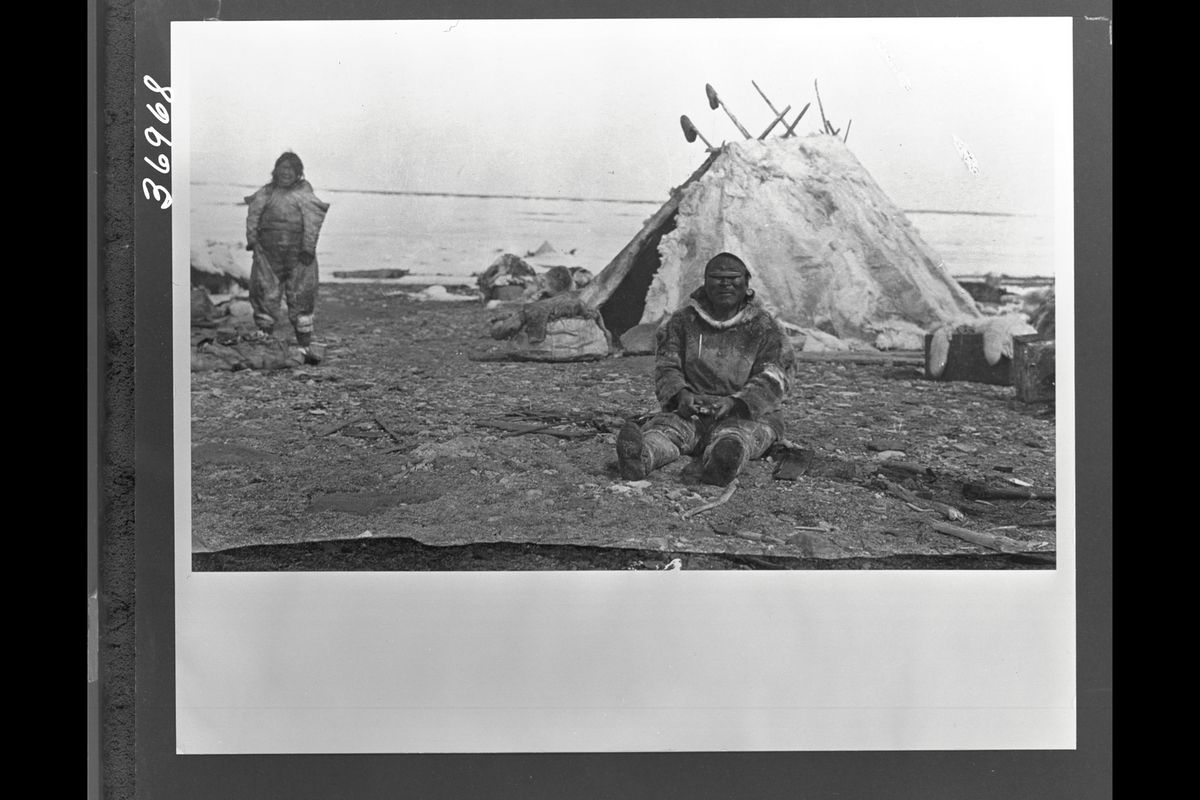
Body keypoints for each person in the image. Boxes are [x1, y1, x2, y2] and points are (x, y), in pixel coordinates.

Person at [616, 252, 795, 486]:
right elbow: (667, 365)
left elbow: (775, 375)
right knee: (666, 431)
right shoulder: (682, 322)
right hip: (693, 410)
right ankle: (641, 458)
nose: (725, 284)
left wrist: (736, 403)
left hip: (746, 413)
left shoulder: (765, 326)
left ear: (746, 282)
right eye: (717, 278)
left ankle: (722, 464)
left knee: (739, 438)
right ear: (705, 281)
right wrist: (680, 394)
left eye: (733, 278)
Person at [244, 151, 330, 364]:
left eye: (290, 170)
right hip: (268, 253)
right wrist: (253, 241)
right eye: (282, 169)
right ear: (276, 171)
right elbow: (253, 216)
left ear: (298, 173)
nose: (286, 173)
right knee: (264, 292)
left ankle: (304, 344)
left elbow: (313, 221)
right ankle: (265, 339)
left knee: (302, 294)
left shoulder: (304, 193)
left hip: (298, 254)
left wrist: (308, 249)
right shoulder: (266, 192)